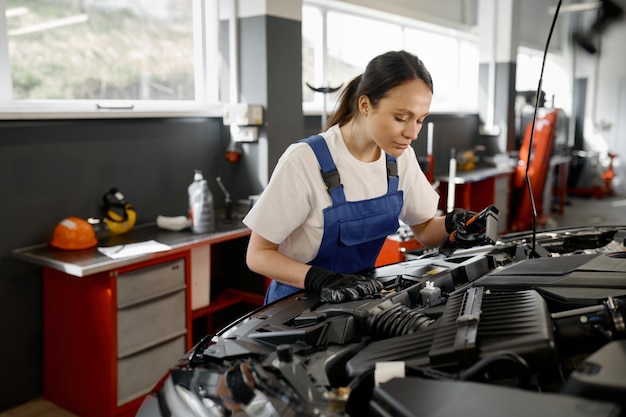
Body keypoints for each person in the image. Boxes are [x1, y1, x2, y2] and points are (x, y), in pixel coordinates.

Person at [243, 50, 487, 305]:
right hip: (295, 308)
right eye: (401, 118)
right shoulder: (305, 160)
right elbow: (258, 254)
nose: (412, 133)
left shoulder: (399, 159)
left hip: (358, 301)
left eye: (420, 120)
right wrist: (319, 279)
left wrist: (454, 224)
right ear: (365, 105)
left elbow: (424, 228)